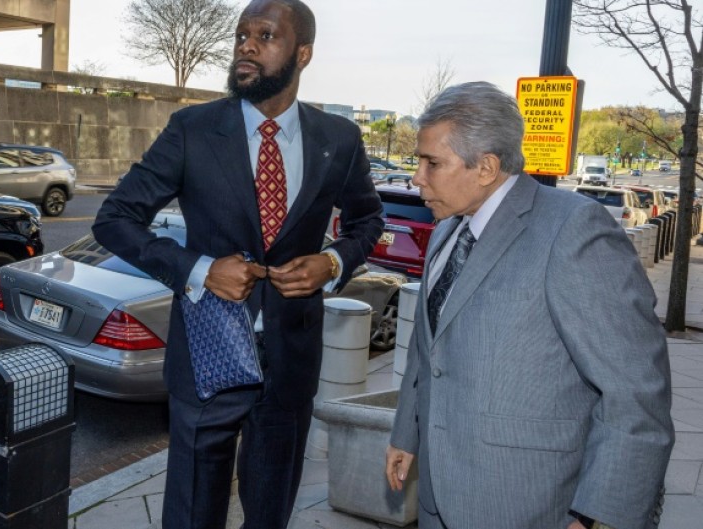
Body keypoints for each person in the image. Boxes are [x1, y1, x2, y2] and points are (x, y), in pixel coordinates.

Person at [92, 1, 383, 527]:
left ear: (303, 53)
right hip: (208, 356)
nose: (246, 46)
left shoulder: (338, 140)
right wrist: (199, 269)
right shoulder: (193, 129)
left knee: (270, 512)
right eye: (241, 35)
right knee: (192, 512)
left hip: (291, 360)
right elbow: (115, 219)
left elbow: (367, 222)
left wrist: (332, 263)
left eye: (265, 36)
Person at [384, 82, 674, 529]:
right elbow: (429, 350)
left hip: (528, 502)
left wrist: (600, 517)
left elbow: (635, 389)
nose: (416, 177)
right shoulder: (446, 230)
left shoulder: (574, 229)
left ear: (486, 167)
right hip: (439, 497)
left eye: (432, 163)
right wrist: (407, 434)